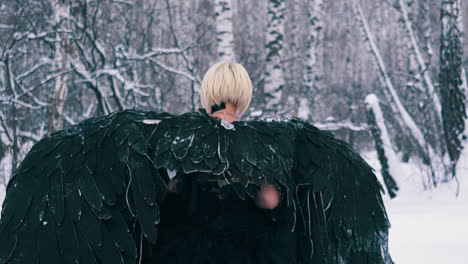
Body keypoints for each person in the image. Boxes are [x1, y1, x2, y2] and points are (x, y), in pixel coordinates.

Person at [148, 61, 296, 263]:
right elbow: (269, 200)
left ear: (209, 92)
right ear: (243, 93)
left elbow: (170, 193)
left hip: (190, 252)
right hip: (242, 253)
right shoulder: (258, 142)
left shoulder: (185, 138)